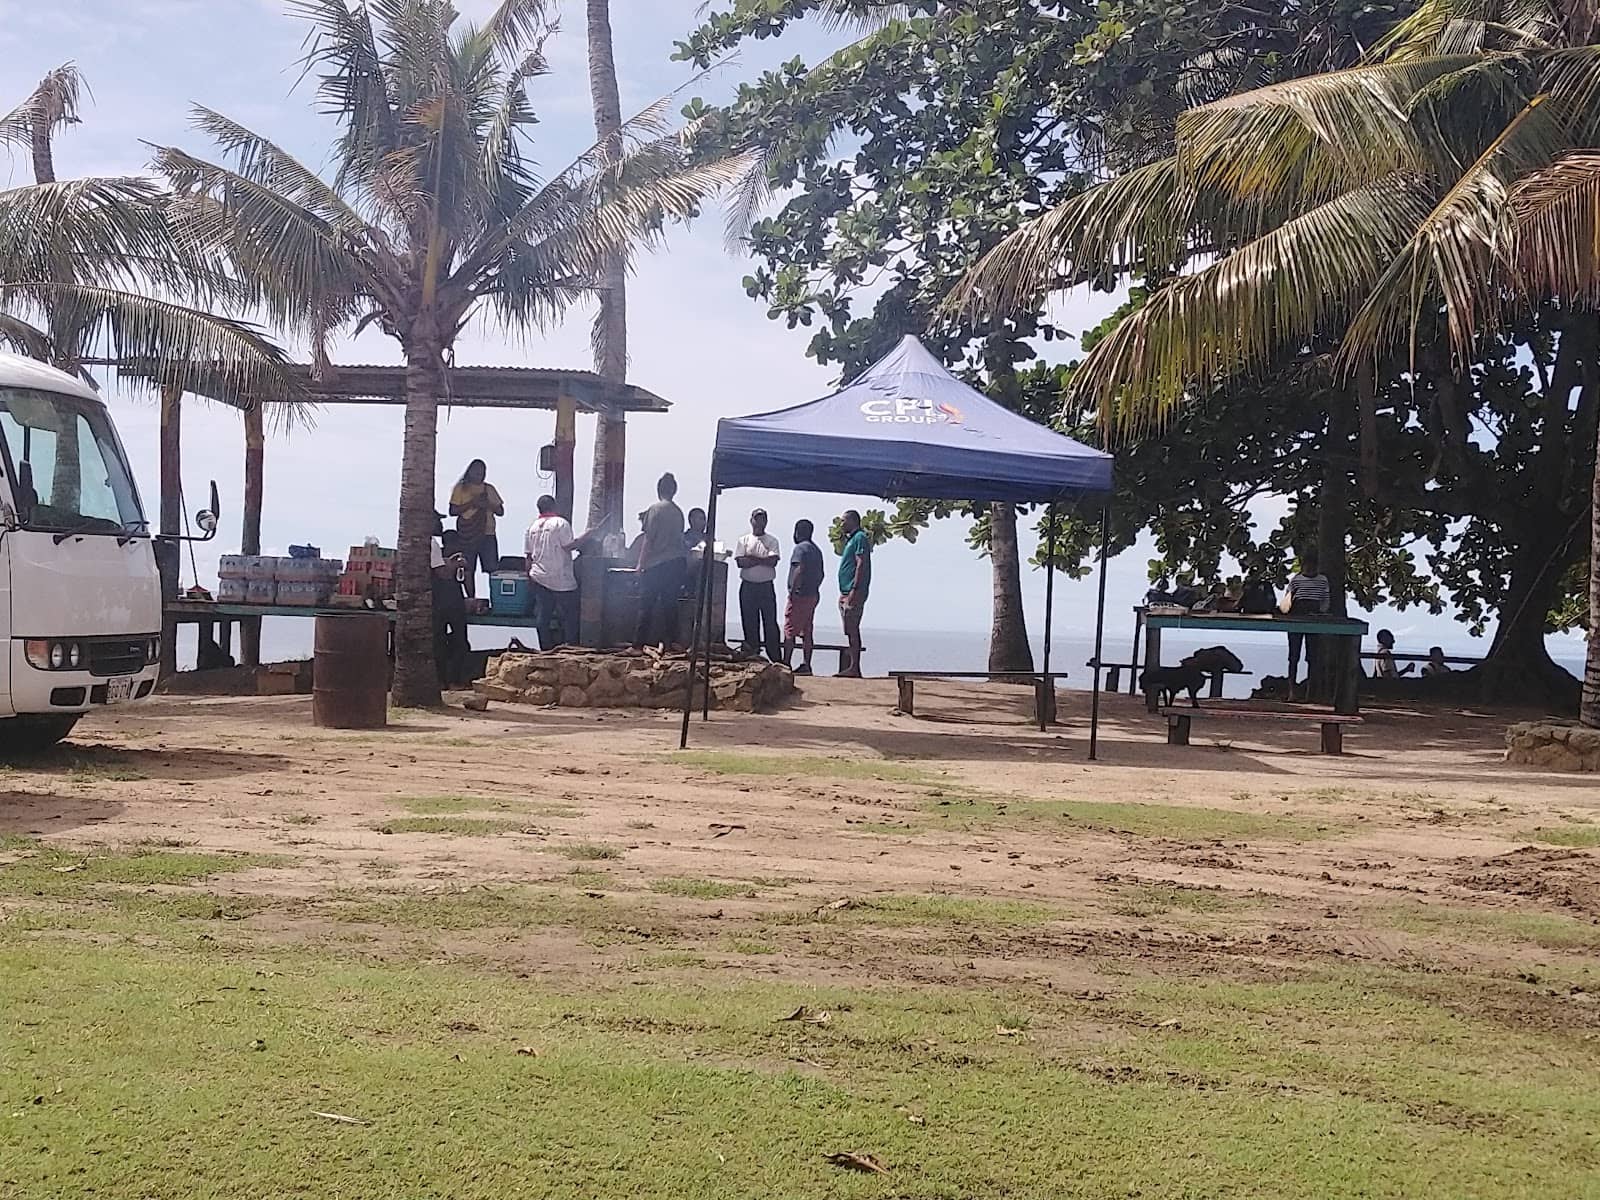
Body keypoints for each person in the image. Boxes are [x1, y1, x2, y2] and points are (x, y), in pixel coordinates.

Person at [634, 472, 687, 651]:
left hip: (657, 564)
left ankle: (638, 645)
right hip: (676, 563)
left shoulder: (655, 509)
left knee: (646, 604)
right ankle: (673, 642)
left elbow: (648, 539)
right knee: (670, 604)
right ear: (674, 491)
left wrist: (640, 564)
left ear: (659, 490)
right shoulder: (679, 512)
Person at [525, 494, 583, 650]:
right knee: (570, 614)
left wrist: (528, 577)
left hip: (538, 576)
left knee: (543, 615)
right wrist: (585, 537)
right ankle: (570, 646)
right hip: (560, 577)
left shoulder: (532, 527)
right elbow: (569, 546)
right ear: (554, 506)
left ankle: (546, 647)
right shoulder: (561, 523)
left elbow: (528, 556)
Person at [448, 459, 505, 599]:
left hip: (488, 533)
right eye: (477, 471)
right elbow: (453, 510)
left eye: (483, 471)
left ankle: (495, 599)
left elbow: (500, 511)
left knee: (492, 568)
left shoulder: (489, 489)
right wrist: (473, 503)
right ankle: (471, 598)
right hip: (467, 534)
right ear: (470, 472)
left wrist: (488, 505)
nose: (480, 474)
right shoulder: (461, 489)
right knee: (468, 568)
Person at [733, 508, 782, 661]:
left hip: (766, 587)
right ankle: (752, 653)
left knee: (770, 622)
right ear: (751, 520)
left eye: (762, 519)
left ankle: (775, 656)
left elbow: (773, 561)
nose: (759, 522)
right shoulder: (744, 540)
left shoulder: (772, 541)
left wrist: (752, 558)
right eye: (756, 518)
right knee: (749, 621)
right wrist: (762, 559)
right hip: (748, 586)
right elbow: (741, 562)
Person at [1283, 551, 1331, 692]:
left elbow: (1325, 598)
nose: (1310, 568)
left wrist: (1322, 611)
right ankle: (1292, 689)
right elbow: (1288, 598)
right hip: (1297, 617)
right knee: (1294, 656)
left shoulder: (1322, 580)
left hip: (1314, 618)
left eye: (1313, 566)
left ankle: (1311, 689)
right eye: (1307, 566)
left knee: (1312, 656)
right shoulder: (1296, 580)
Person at [784, 519, 825, 675]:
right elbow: (821, 574)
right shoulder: (816, 550)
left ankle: (786, 663)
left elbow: (799, 569)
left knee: (790, 629)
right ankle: (806, 664)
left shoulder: (800, 549)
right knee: (807, 630)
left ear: (797, 532)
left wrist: (793, 591)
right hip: (812, 594)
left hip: (800, 595)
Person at [432, 520, 470, 687]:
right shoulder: (440, 555)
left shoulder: (438, 552)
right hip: (453, 603)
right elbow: (446, 574)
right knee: (460, 641)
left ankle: (442, 679)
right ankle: (455, 679)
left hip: (438, 603)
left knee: (439, 642)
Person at [837, 509, 872, 678]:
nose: (841, 524)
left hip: (853, 591)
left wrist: (854, 590)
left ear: (852, 521)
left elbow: (861, 563)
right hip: (846, 590)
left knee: (853, 628)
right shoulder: (851, 539)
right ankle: (853, 666)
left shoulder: (860, 538)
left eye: (844, 520)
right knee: (849, 629)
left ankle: (854, 667)